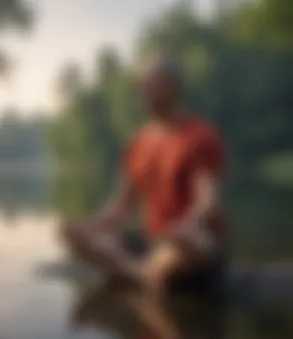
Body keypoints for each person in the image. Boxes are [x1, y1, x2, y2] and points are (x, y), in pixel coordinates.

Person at [61, 52, 227, 293]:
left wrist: (187, 225)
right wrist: (88, 226)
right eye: (142, 84)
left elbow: (208, 200)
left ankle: (135, 271)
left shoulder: (200, 135)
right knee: (79, 239)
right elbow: (121, 206)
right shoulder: (139, 143)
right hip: (153, 242)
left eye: (151, 83)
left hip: (190, 239)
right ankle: (145, 274)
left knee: (190, 245)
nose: (143, 90)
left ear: (174, 88)